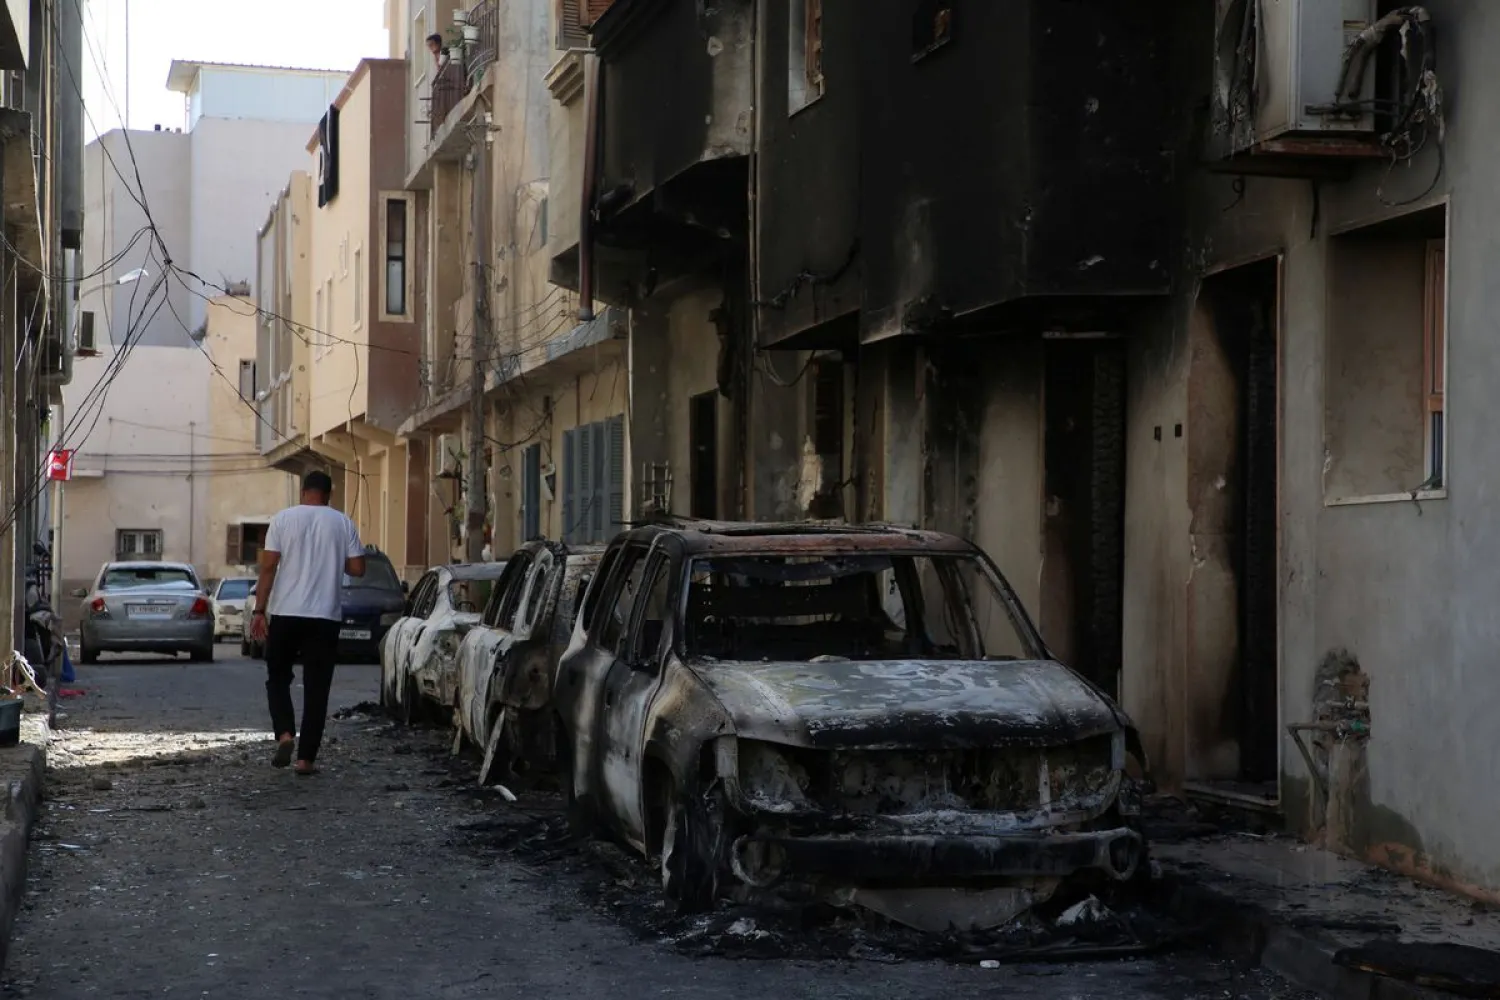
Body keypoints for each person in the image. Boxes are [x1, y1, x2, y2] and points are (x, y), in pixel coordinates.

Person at [248, 470, 365, 775]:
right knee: (317, 688)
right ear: (329, 494)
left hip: (286, 613)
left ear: (303, 492)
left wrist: (259, 611)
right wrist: (332, 556)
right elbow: (358, 568)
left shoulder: (282, 519)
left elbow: (268, 567)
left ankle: (285, 734)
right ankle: (305, 760)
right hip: (325, 617)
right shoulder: (343, 522)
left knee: (277, 677)